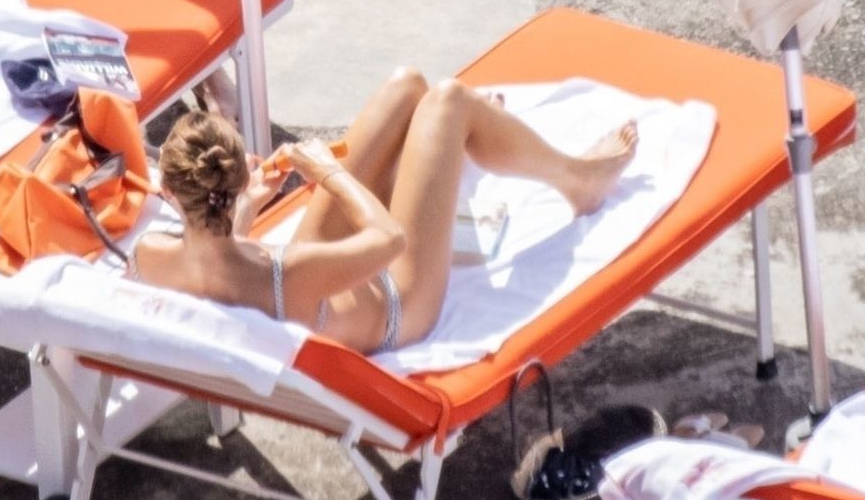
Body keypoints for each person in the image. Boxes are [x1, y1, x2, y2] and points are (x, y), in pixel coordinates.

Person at [130, 68, 640, 353]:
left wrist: (247, 207)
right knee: (448, 101)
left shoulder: (150, 257)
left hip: (318, 286)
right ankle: (580, 179)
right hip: (401, 300)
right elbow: (389, 240)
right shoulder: (288, 273)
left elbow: (224, 273)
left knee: (406, 88)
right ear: (236, 173)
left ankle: (453, 149)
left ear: (168, 192)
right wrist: (327, 173)